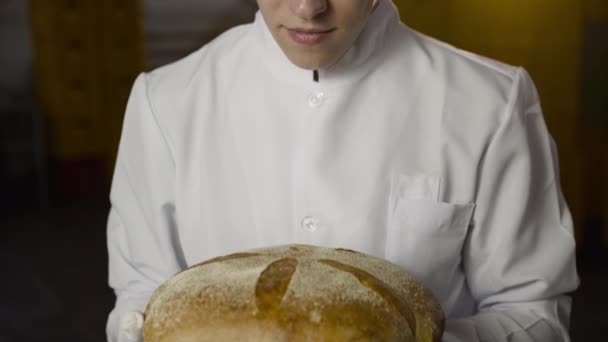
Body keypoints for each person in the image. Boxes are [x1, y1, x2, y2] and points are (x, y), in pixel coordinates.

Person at [106, 0, 579, 341]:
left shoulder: (490, 102)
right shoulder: (163, 103)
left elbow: (534, 313)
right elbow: (141, 300)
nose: (309, 7)